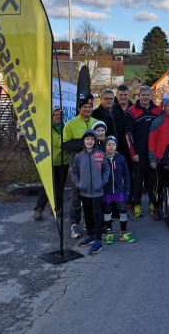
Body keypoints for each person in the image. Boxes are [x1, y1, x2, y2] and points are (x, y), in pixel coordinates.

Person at [62, 94, 97, 239]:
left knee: (93, 194)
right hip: (77, 165)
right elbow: (64, 144)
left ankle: (89, 223)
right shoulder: (70, 124)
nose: (87, 109)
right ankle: (74, 224)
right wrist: (83, 143)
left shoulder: (96, 122)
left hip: (94, 165)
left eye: (90, 107)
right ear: (79, 108)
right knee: (76, 194)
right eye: (85, 107)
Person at [124, 85, 162, 218]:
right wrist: (132, 153)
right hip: (138, 153)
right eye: (143, 95)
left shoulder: (158, 110)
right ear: (139, 96)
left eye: (148, 95)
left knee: (153, 180)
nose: (145, 97)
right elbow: (128, 134)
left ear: (151, 96)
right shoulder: (131, 111)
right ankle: (137, 204)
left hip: (154, 153)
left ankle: (153, 204)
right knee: (138, 180)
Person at [72, 129, 110, 255]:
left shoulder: (100, 155)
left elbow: (106, 169)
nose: (90, 141)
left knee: (97, 216)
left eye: (92, 139)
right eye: (87, 139)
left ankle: (98, 240)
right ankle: (91, 235)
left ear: (95, 141)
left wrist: (103, 181)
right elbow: (74, 172)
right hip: (85, 192)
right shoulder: (79, 157)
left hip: (98, 192)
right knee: (87, 215)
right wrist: (79, 184)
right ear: (83, 141)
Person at [33, 107, 70, 221]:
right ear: (52, 116)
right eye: (56, 115)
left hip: (63, 162)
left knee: (59, 187)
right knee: (46, 186)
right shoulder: (47, 129)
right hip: (49, 162)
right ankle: (39, 208)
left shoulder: (66, 128)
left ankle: (56, 208)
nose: (58, 117)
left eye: (60, 115)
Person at [148, 97, 169, 220]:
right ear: (164, 107)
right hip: (159, 159)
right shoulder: (157, 122)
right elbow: (151, 141)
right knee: (158, 185)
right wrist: (152, 159)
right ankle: (155, 208)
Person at [102, 136, 134, 244]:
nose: (111, 147)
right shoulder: (102, 159)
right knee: (107, 212)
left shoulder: (121, 159)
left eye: (113, 144)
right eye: (108, 144)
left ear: (116, 146)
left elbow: (127, 177)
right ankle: (109, 234)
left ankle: (123, 233)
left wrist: (126, 193)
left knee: (123, 211)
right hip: (106, 192)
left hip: (119, 191)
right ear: (105, 146)